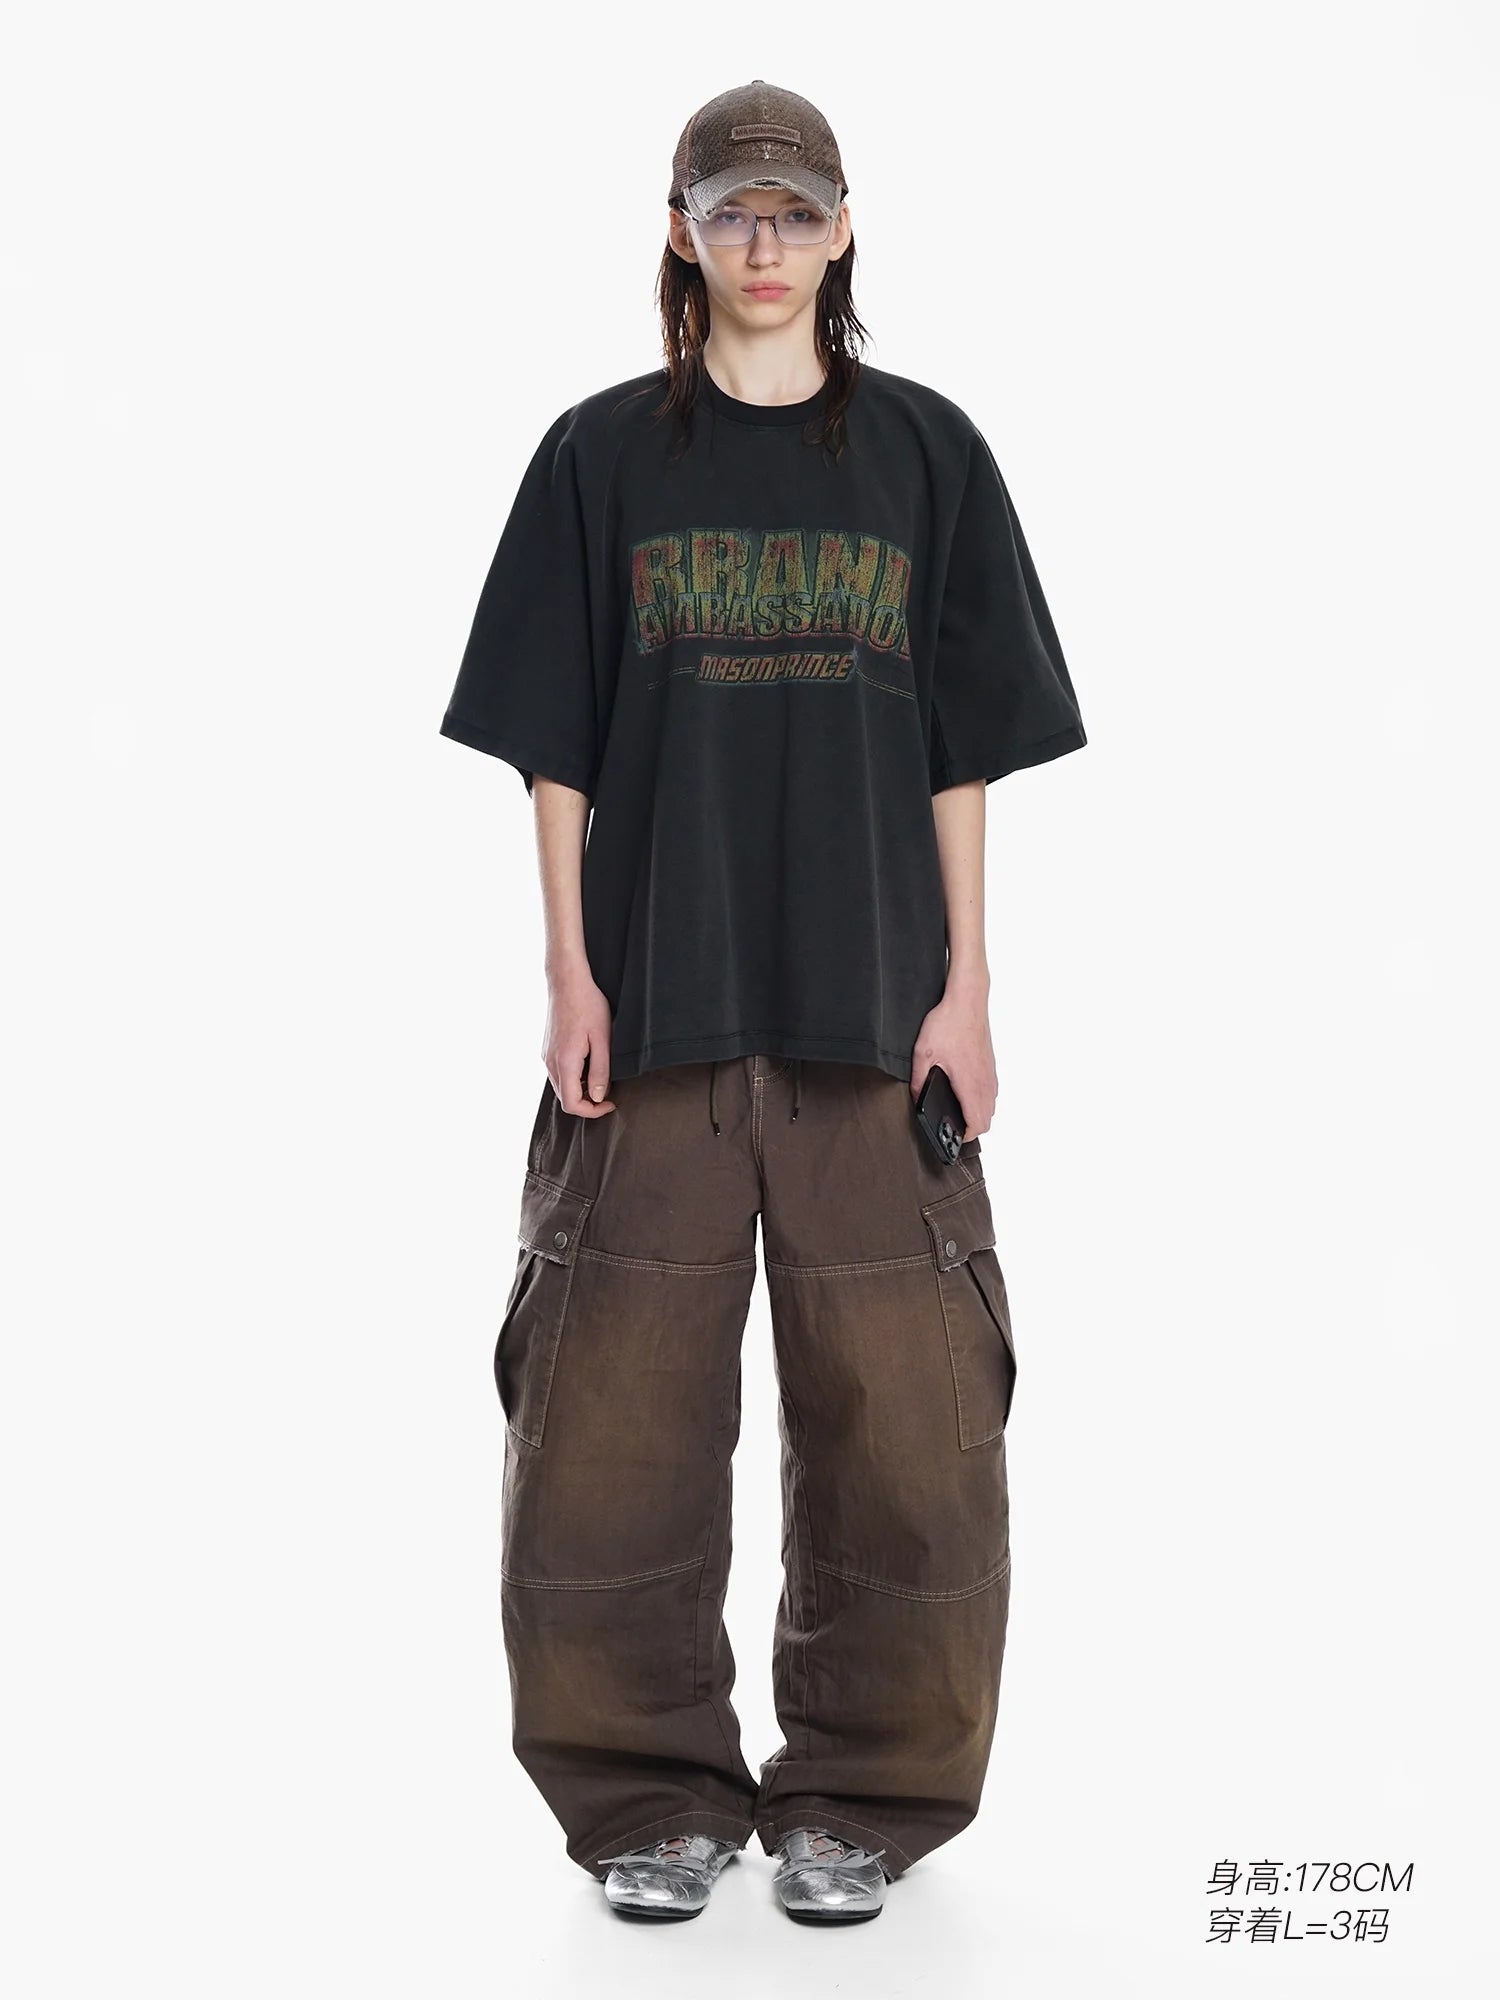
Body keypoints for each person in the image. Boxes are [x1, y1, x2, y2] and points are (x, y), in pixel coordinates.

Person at [439, 78, 1086, 1925]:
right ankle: (645, 1794)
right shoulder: (598, 459)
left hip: (874, 1020)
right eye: (731, 209)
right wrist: (569, 968)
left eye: (797, 211)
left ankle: (862, 1797)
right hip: (651, 1017)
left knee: (914, 1432)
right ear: (680, 230)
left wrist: (969, 986)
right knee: (605, 1435)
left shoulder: (928, 457)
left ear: (845, 228)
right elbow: (553, 747)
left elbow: (964, 749)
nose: (765, 242)